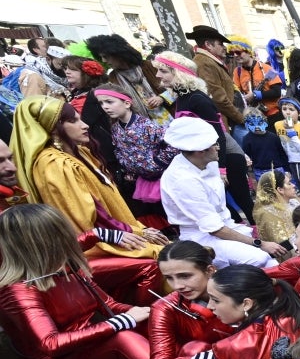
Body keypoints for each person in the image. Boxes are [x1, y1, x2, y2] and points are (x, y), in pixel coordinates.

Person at [0, 204, 169, 359]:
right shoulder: (17, 289)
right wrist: (122, 321)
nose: (69, 237)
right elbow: (51, 343)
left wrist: (150, 313)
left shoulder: (66, 265)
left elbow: (110, 305)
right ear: (39, 243)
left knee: (160, 317)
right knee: (123, 337)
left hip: (96, 353)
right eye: (59, 233)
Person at [9, 96, 166, 277]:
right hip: (97, 246)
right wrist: (137, 232)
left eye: (80, 118)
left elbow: (107, 207)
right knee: (162, 262)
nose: (85, 125)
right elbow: (86, 218)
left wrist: (139, 229)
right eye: (73, 121)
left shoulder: (79, 152)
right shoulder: (55, 164)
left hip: (120, 234)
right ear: (52, 128)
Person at [159, 117, 285, 267]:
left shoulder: (207, 161)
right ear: (200, 151)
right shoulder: (182, 180)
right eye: (214, 145)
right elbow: (214, 229)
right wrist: (258, 243)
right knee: (260, 258)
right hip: (203, 237)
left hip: (227, 225)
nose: (218, 148)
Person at [95, 83, 176, 208]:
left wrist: (157, 162)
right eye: (101, 103)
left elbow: (173, 143)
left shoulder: (146, 125)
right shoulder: (115, 129)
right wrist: (127, 166)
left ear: (127, 104)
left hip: (162, 179)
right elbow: (118, 149)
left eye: (109, 102)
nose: (105, 107)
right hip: (142, 182)